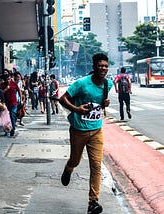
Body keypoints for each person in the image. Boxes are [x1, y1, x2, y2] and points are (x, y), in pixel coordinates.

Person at [59, 53, 113, 214]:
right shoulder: (81, 83)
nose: (103, 68)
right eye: (100, 65)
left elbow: (100, 103)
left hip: (96, 130)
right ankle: (69, 168)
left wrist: (105, 103)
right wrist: (76, 109)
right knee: (75, 160)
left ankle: (93, 202)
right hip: (78, 130)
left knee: (96, 165)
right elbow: (63, 98)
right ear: (94, 66)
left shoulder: (108, 84)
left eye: (105, 66)